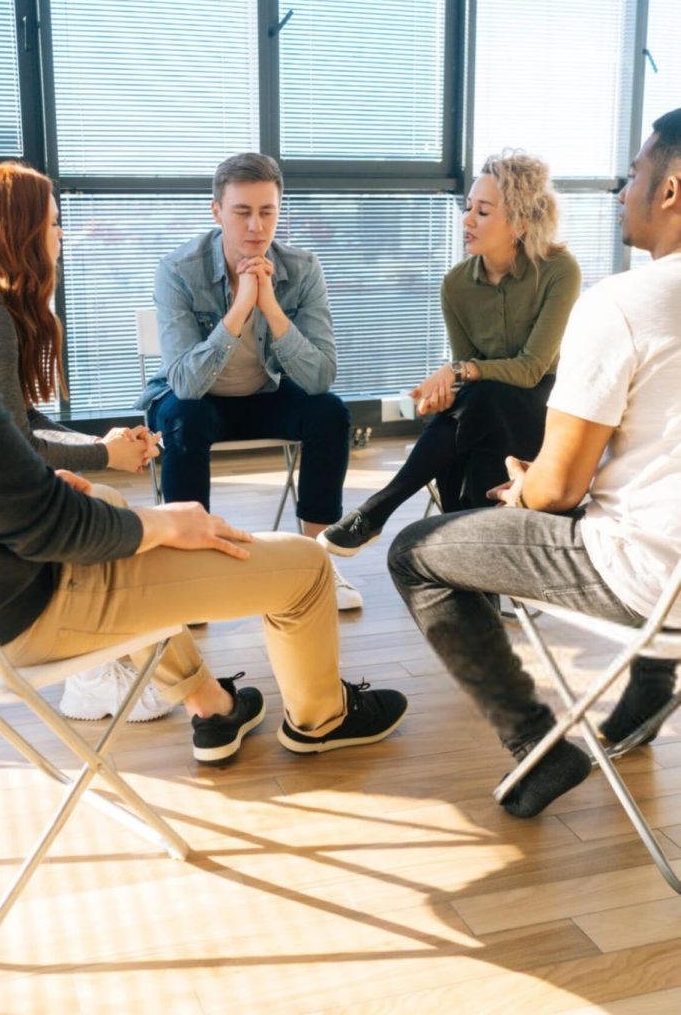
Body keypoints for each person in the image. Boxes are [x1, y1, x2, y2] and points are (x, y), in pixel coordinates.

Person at [0, 70, 407, 768]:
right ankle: (322, 720)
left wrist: (95, 483)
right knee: (303, 567)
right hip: (15, 609)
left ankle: (211, 707)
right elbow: (37, 522)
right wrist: (164, 524)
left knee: (128, 503)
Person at [387, 109, 681, 819]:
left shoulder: (622, 302)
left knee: (417, 554)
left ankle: (535, 743)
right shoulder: (468, 283)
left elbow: (557, 490)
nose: (621, 191)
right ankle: (651, 681)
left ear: (672, 188)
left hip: (647, 574)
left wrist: (525, 490)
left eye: (635, 173)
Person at [0, 161, 170, 724]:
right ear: (24, 232)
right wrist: (107, 455)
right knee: (114, 515)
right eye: (53, 224)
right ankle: (99, 677)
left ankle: (115, 675)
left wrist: (97, 442)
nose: (61, 236)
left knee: (101, 501)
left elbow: (19, 416)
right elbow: (17, 447)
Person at [319, 151, 581, 557]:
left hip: (543, 410)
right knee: (477, 420)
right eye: (468, 207)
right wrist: (447, 390)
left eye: (483, 211)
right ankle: (477, 576)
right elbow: (469, 378)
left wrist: (461, 372)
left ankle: (378, 511)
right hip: (485, 414)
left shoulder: (559, 270)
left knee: (484, 403)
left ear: (520, 222)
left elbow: (531, 370)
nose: (467, 220)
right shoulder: (456, 285)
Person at [138, 152, 362, 610]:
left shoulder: (301, 269)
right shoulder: (179, 270)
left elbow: (319, 378)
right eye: (242, 212)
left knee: (330, 413)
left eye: (267, 211)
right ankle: (188, 571)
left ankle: (320, 562)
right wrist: (240, 308)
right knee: (184, 418)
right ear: (217, 211)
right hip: (195, 401)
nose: (256, 226)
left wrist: (272, 309)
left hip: (263, 396)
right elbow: (184, 383)